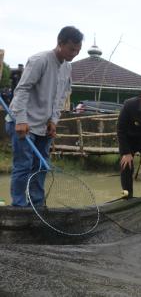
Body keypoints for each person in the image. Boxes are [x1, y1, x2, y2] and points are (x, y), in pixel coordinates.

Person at [5, 26, 83, 207]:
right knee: (24, 166)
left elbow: (61, 96)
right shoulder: (40, 60)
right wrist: (22, 120)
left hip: (43, 125)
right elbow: (22, 90)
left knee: (40, 167)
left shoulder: (67, 67)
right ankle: (18, 206)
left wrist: (53, 121)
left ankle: (37, 204)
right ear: (60, 43)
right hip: (23, 122)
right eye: (72, 49)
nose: (74, 54)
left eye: (78, 50)